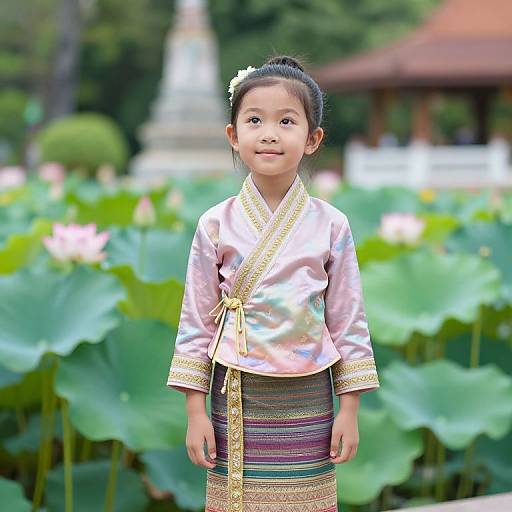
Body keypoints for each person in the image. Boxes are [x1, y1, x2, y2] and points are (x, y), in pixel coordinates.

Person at [166, 55, 380, 512]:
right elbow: (195, 322)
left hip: (309, 395)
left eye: (286, 121)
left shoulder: (332, 224)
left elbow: (348, 320)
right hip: (237, 395)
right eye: (254, 119)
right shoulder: (214, 224)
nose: (269, 133)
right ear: (233, 135)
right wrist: (194, 411)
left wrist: (350, 409)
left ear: (313, 139)